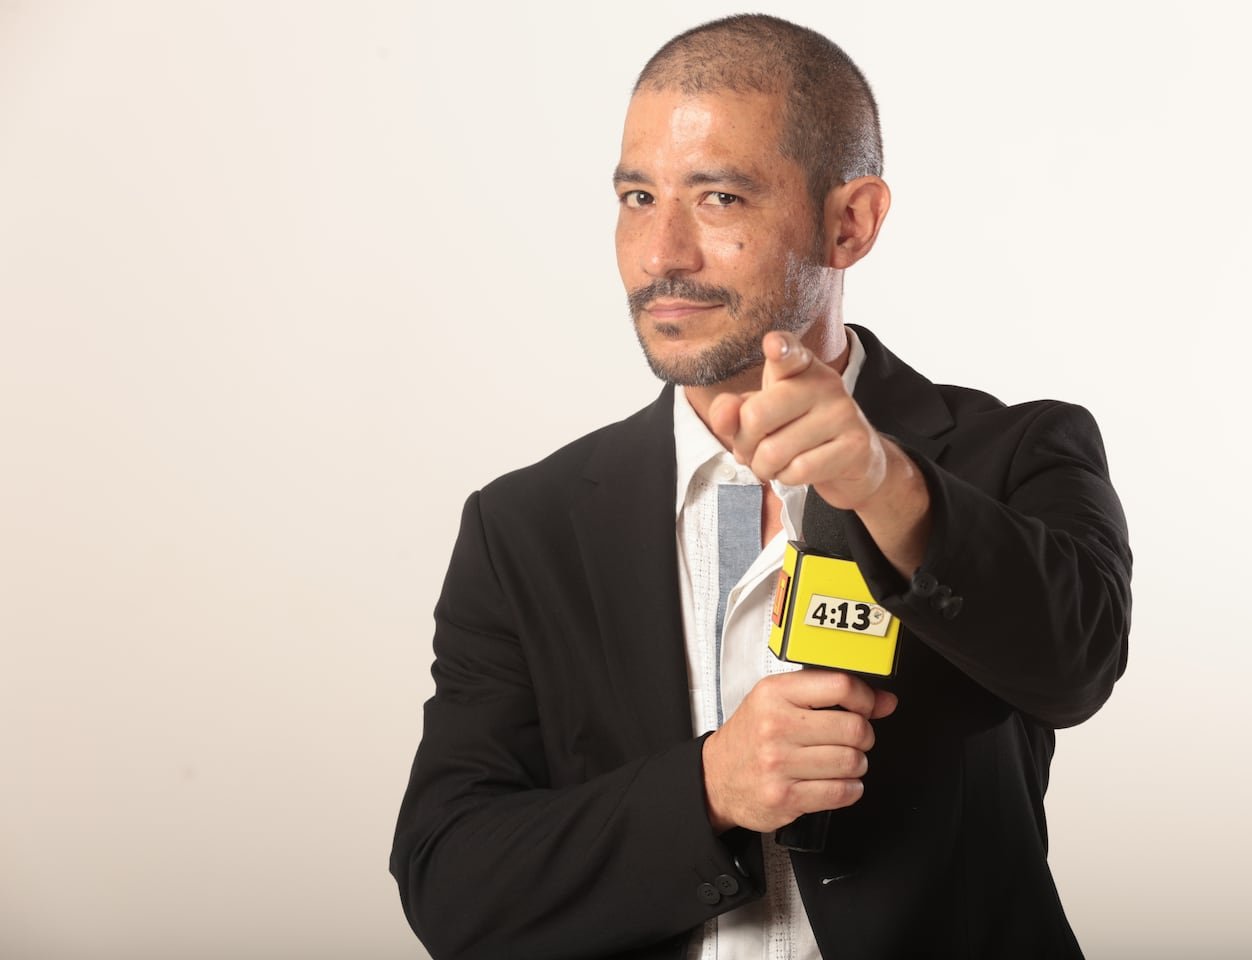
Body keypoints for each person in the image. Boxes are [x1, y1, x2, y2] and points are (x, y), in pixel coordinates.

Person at [391, 13, 1131, 960]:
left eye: (720, 198)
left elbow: (1076, 664)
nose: (661, 253)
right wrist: (710, 787)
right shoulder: (523, 526)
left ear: (849, 222)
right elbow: (451, 880)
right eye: (637, 196)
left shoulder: (1014, 451)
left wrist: (884, 483)